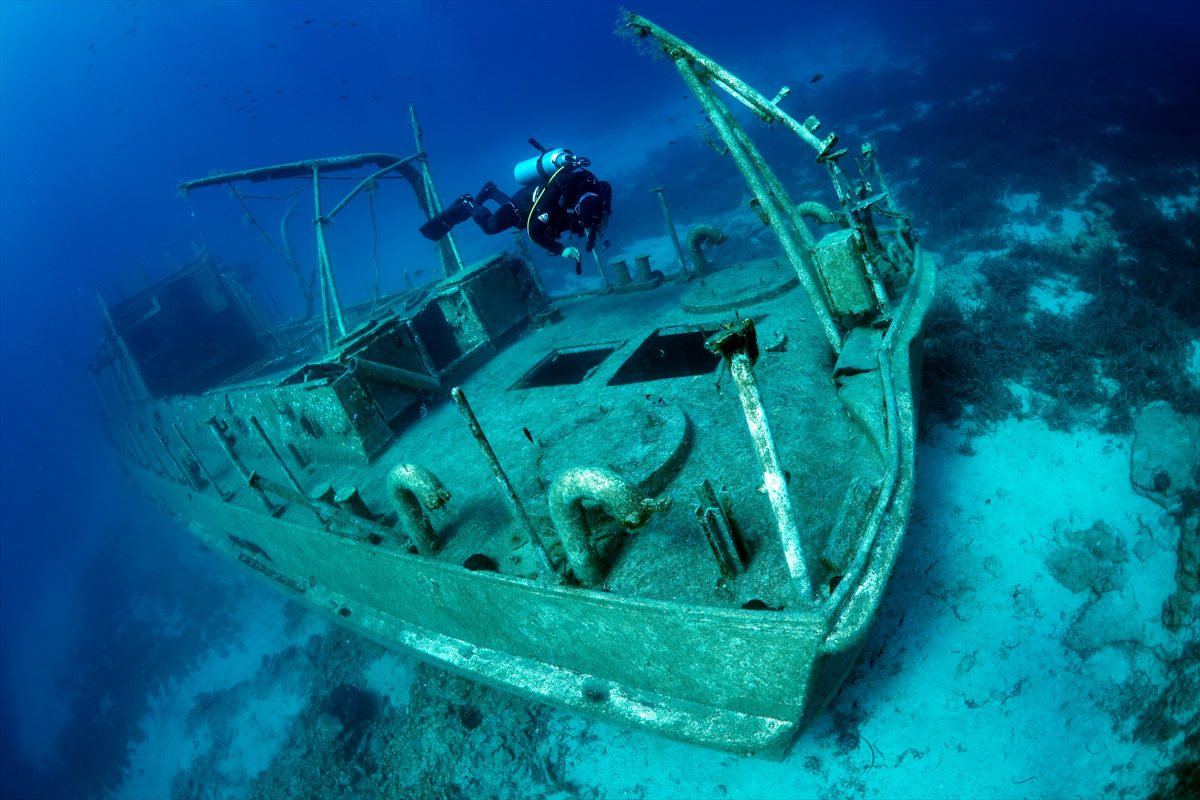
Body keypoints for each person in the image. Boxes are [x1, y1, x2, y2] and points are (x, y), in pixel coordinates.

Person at [419, 148, 612, 274]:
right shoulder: (552, 202)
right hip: (521, 205)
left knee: (520, 222)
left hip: (531, 205)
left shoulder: (598, 189)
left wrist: (595, 224)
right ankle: (466, 202)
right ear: (575, 208)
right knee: (491, 227)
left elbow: (601, 198)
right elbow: (534, 232)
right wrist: (561, 250)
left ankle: (491, 191)